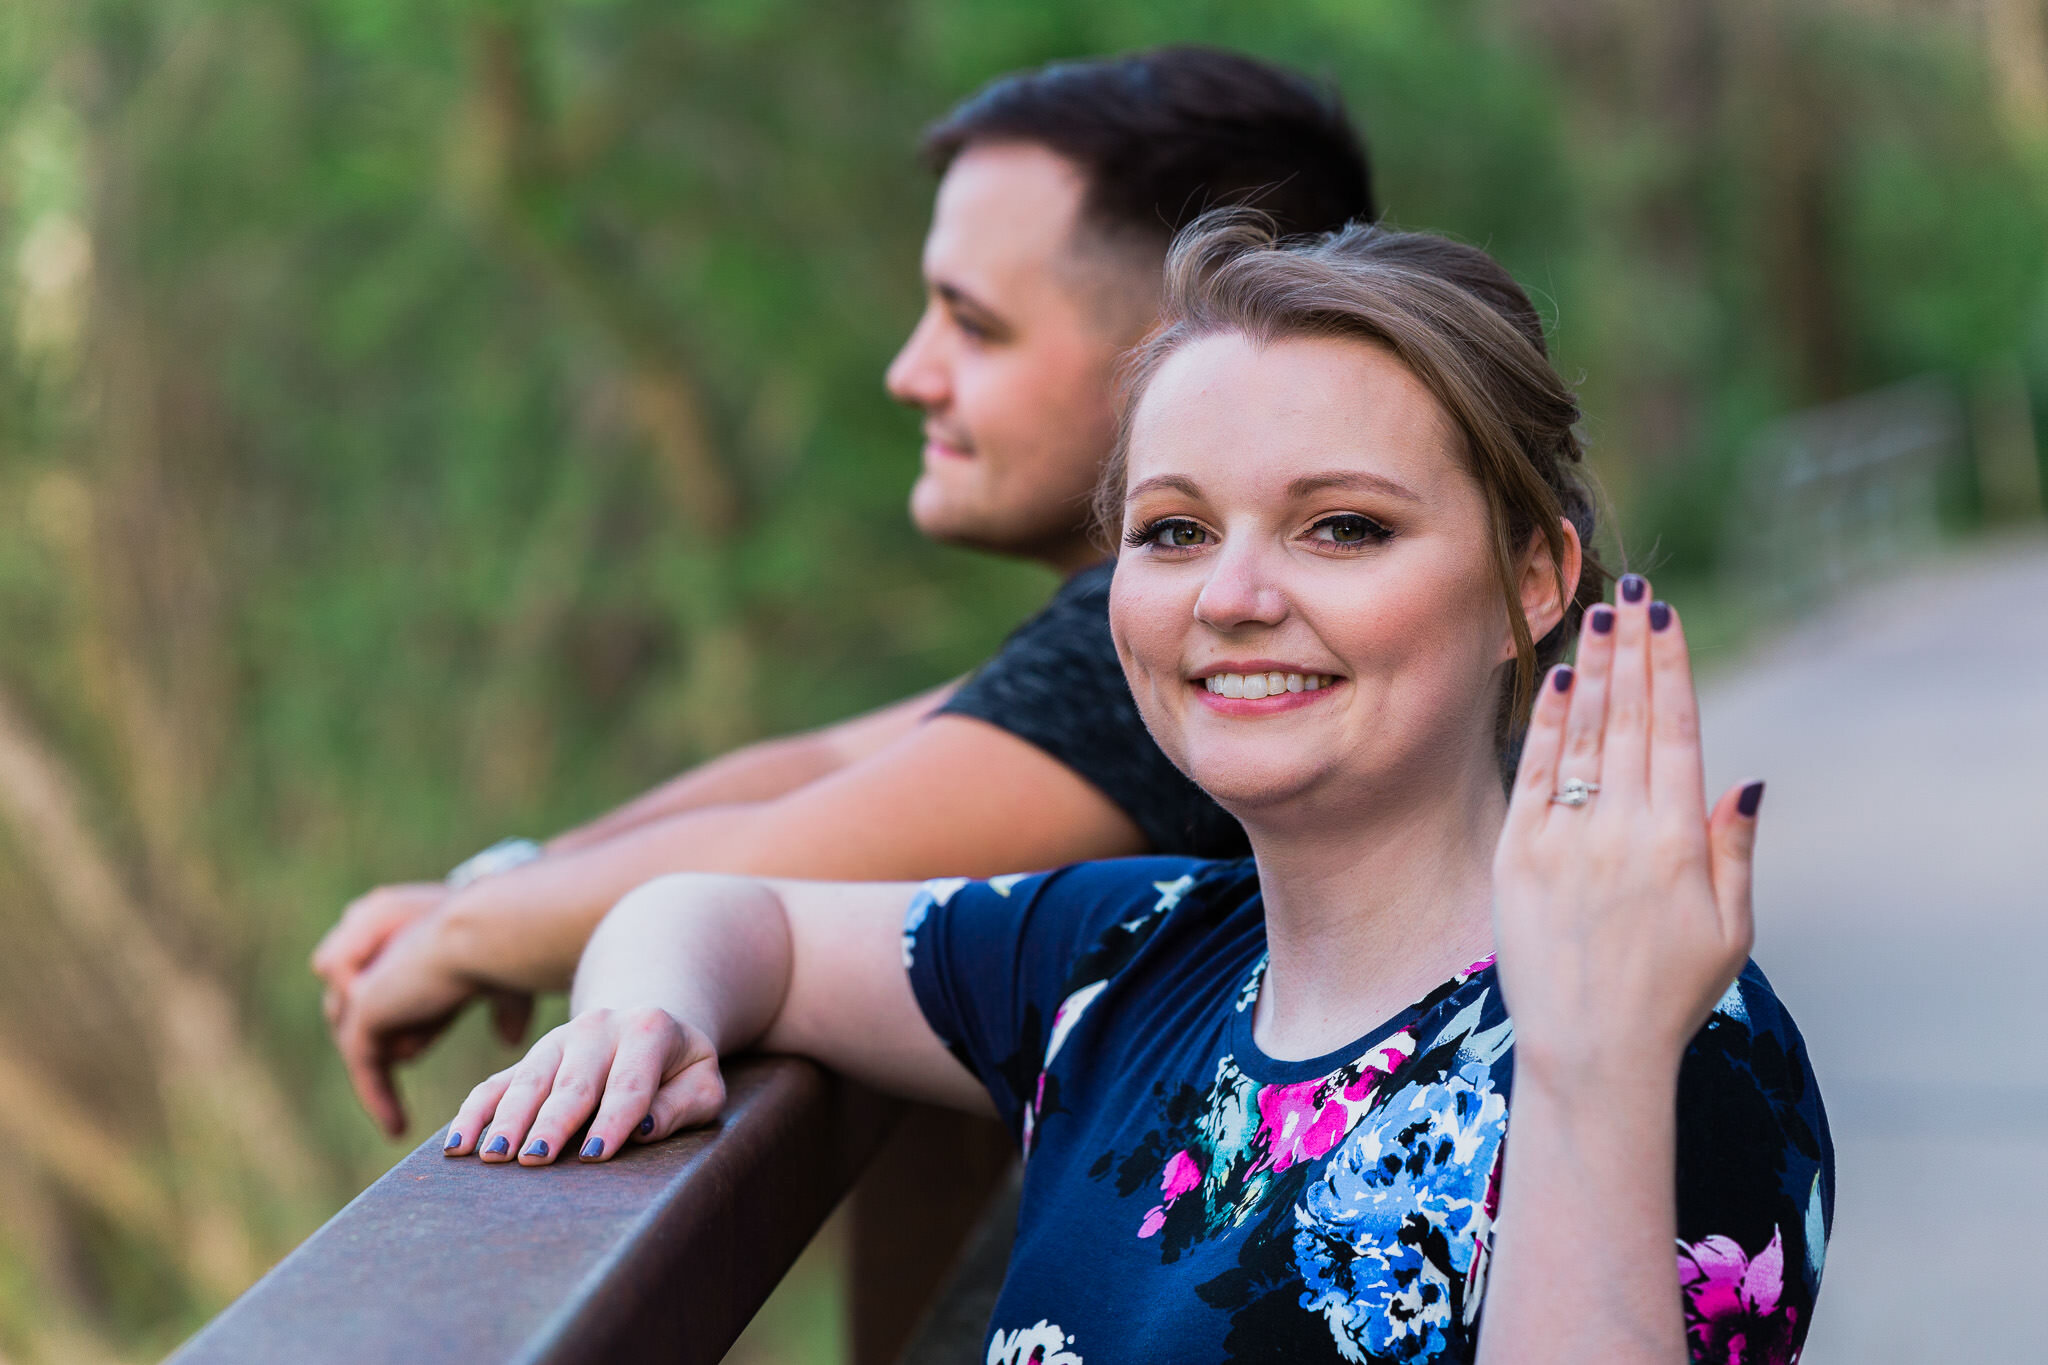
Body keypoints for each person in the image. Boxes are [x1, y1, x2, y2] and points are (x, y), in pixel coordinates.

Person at [439, 218, 1833, 1364]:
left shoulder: (1665, 1040)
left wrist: (1591, 1078)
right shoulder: (1123, 954)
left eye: (1341, 526)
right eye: (1173, 531)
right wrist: (640, 1011)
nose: (1233, 597)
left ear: (1533, 578)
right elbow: (729, 913)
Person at [311, 47, 1376, 1135]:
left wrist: (459, 937)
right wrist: (495, 889)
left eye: (972, 324)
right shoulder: (1135, 645)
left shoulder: (1226, 643)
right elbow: (824, 769)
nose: (909, 371)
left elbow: (773, 860)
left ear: (1180, 357)